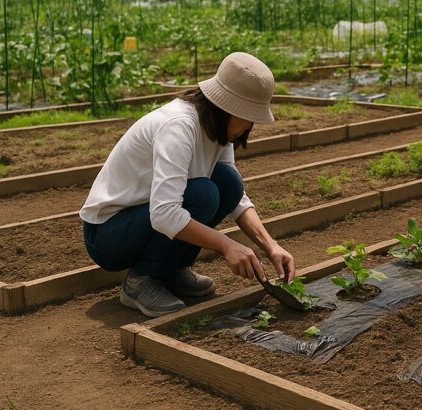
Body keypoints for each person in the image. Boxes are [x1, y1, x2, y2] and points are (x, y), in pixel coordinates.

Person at [79, 52, 295, 317]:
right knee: (203, 194)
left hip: (142, 220)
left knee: (228, 184)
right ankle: (142, 280)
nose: (250, 125)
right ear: (228, 107)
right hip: (108, 234)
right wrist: (227, 245)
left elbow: (236, 200)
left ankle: (170, 271)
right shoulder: (179, 126)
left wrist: (270, 245)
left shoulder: (217, 127)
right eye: (248, 116)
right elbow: (164, 213)